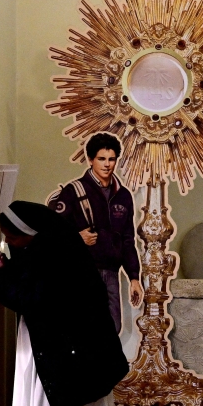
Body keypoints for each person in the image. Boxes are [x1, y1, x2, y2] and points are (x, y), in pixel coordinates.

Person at [0, 201, 128, 406]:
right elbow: (32, 282)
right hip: (62, 345)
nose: (10, 244)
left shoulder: (54, 254)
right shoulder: (49, 246)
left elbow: (34, 299)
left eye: (13, 238)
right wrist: (6, 268)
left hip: (65, 350)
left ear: (31, 232)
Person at [47, 132, 143, 331]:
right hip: (82, 270)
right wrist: (76, 237)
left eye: (111, 159)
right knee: (83, 327)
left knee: (113, 327)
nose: (107, 164)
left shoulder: (123, 196)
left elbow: (127, 239)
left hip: (111, 271)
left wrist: (134, 277)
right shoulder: (74, 191)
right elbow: (51, 231)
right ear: (91, 160)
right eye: (101, 159)